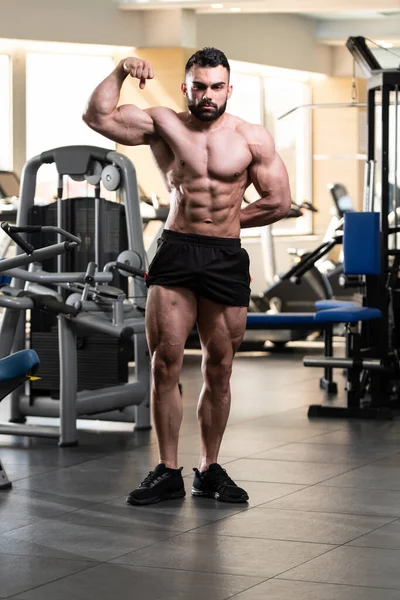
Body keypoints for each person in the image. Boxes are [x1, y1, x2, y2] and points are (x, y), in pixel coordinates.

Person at [83, 47, 291, 506]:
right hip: (177, 251)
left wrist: (233, 221)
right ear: (186, 87)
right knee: (164, 363)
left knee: (221, 366)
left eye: (217, 86)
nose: (208, 95)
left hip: (225, 256)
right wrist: (120, 70)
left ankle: (209, 469)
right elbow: (97, 117)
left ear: (229, 89)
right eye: (199, 86)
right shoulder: (164, 124)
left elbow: (278, 200)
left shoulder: (252, 138)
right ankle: (167, 469)